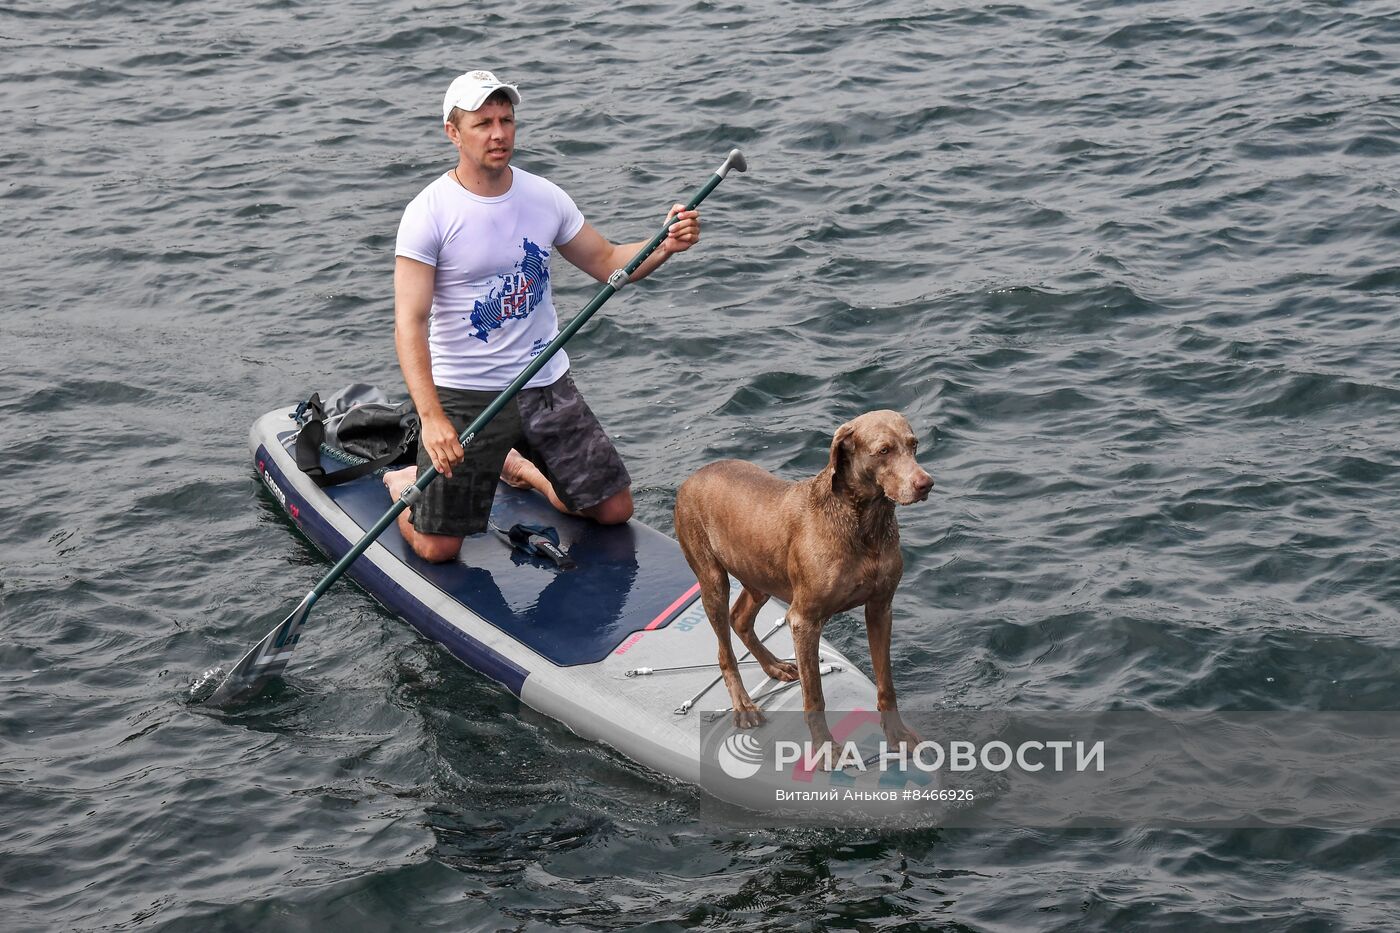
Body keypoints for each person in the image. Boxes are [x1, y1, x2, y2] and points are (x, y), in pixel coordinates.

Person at [382, 70, 701, 563]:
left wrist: (665, 244)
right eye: (483, 122)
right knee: (438, 548)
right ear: (453, 132)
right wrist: (432, 420)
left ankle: (520, 468)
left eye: (506, 120)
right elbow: (409, 322)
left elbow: (610, 261)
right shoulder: (429, 213)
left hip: (546, 385)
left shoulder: (543, 197)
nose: (498, 133)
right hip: (468, 395)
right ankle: (402, 481)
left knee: (613, 509)